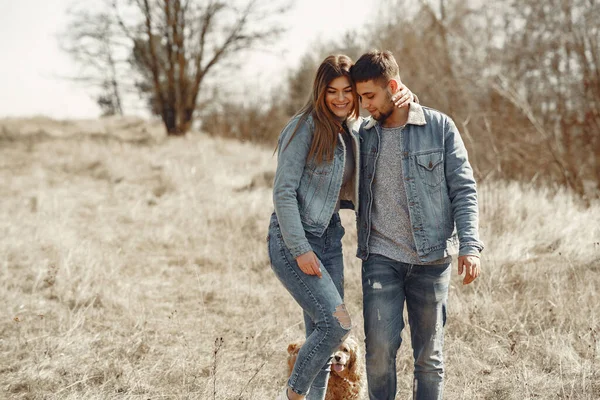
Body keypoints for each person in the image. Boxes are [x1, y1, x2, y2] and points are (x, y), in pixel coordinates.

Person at [268, 54, 413, 400]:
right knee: (337, 325)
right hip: (295, 239)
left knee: (322, 332)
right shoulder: (303, 128)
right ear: (320, 92)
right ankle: (294, 391)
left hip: (330, 237)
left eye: (347, 91)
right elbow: (283, 193)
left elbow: (390, 124)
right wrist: (301, 249)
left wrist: (407, 98)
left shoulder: (353, 131)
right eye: (331, 91)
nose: (341, 98)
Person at [350, 50, 484, 400]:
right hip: (381, 256)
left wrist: (470, 246)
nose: (365, 105)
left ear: (393, 87)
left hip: (432, 259)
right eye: (360, 97)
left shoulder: (440, 128)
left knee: (429, 359)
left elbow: (464, 189)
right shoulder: (363, 135)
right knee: (378, 354)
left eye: (370, 96)